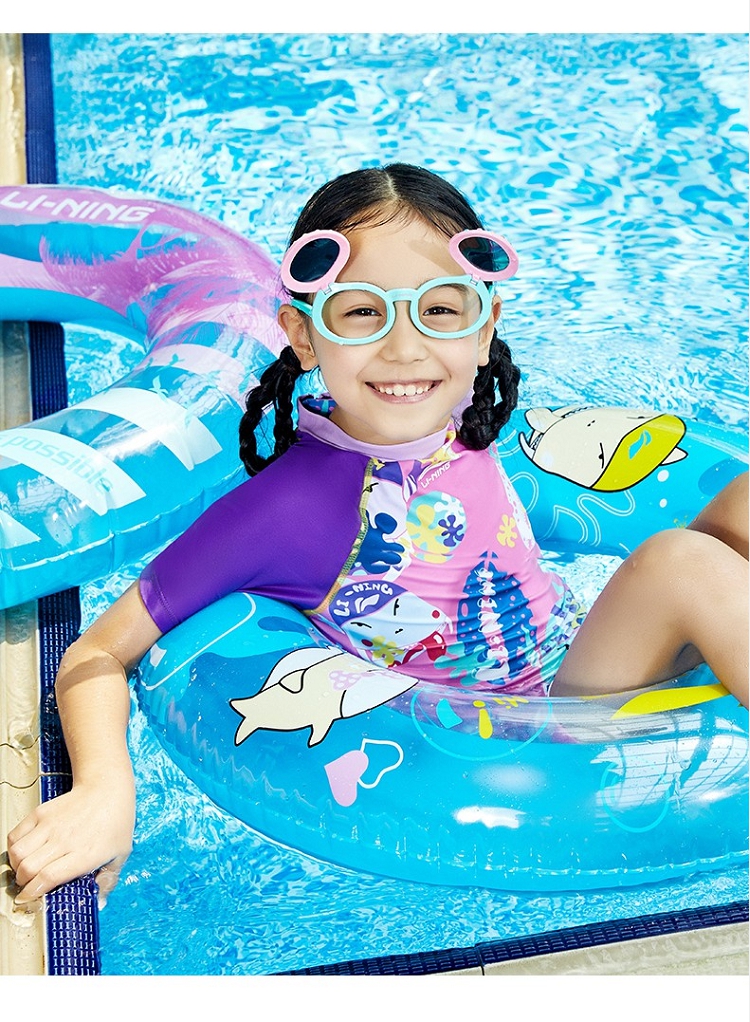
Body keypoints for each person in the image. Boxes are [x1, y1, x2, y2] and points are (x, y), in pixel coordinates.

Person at [8, 163, 748, 907]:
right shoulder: (287, 509)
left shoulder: (464, 423)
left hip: (582, 651)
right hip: (539, 727)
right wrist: (104, 789)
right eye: (363, 313)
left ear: (484, 328)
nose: (404, 348)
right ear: (303, 336)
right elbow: (99, 651)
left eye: (439, 310)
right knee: (680, 562)